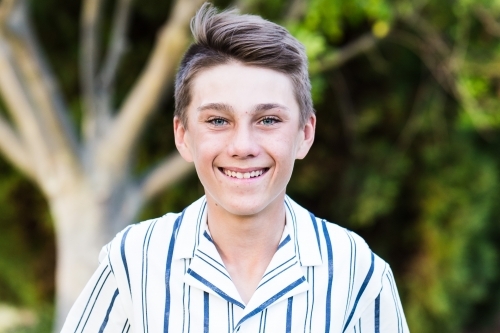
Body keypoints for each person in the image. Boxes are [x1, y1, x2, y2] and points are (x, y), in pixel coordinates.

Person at [61, 3, 410, 332]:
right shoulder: (134, 261)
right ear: (183, 136)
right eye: (217, 120)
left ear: (305, 134)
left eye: (269, 119)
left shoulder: (358, 273)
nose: (243, 146)